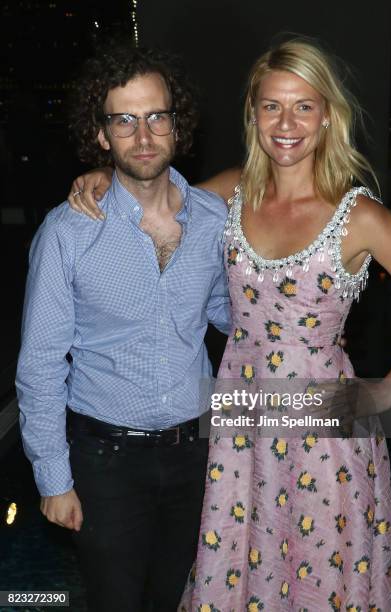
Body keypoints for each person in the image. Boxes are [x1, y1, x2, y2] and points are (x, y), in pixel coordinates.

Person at [67, 39, 391, 611]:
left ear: (327, 116)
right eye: (272, 105)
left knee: (320, 571)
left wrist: (385, 394)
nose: (287, 122)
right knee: (238, 567)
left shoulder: (359, 216)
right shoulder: (227, 193)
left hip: (323, 424)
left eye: (303, 105)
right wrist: (101, 174)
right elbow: (146, 197)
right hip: (238, 418)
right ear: (253, 113)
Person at [15, 46, 230, 612]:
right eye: (124, 120)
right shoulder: (68, 233)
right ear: (102, 134)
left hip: (196, 453)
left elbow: (230, 315)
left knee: (176, 597)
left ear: (177, 125)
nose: (143, 135)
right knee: (114, 601)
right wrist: (53, 478)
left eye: (157, 116)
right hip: (104, 461)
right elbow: (40, 365)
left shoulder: (213, 221)